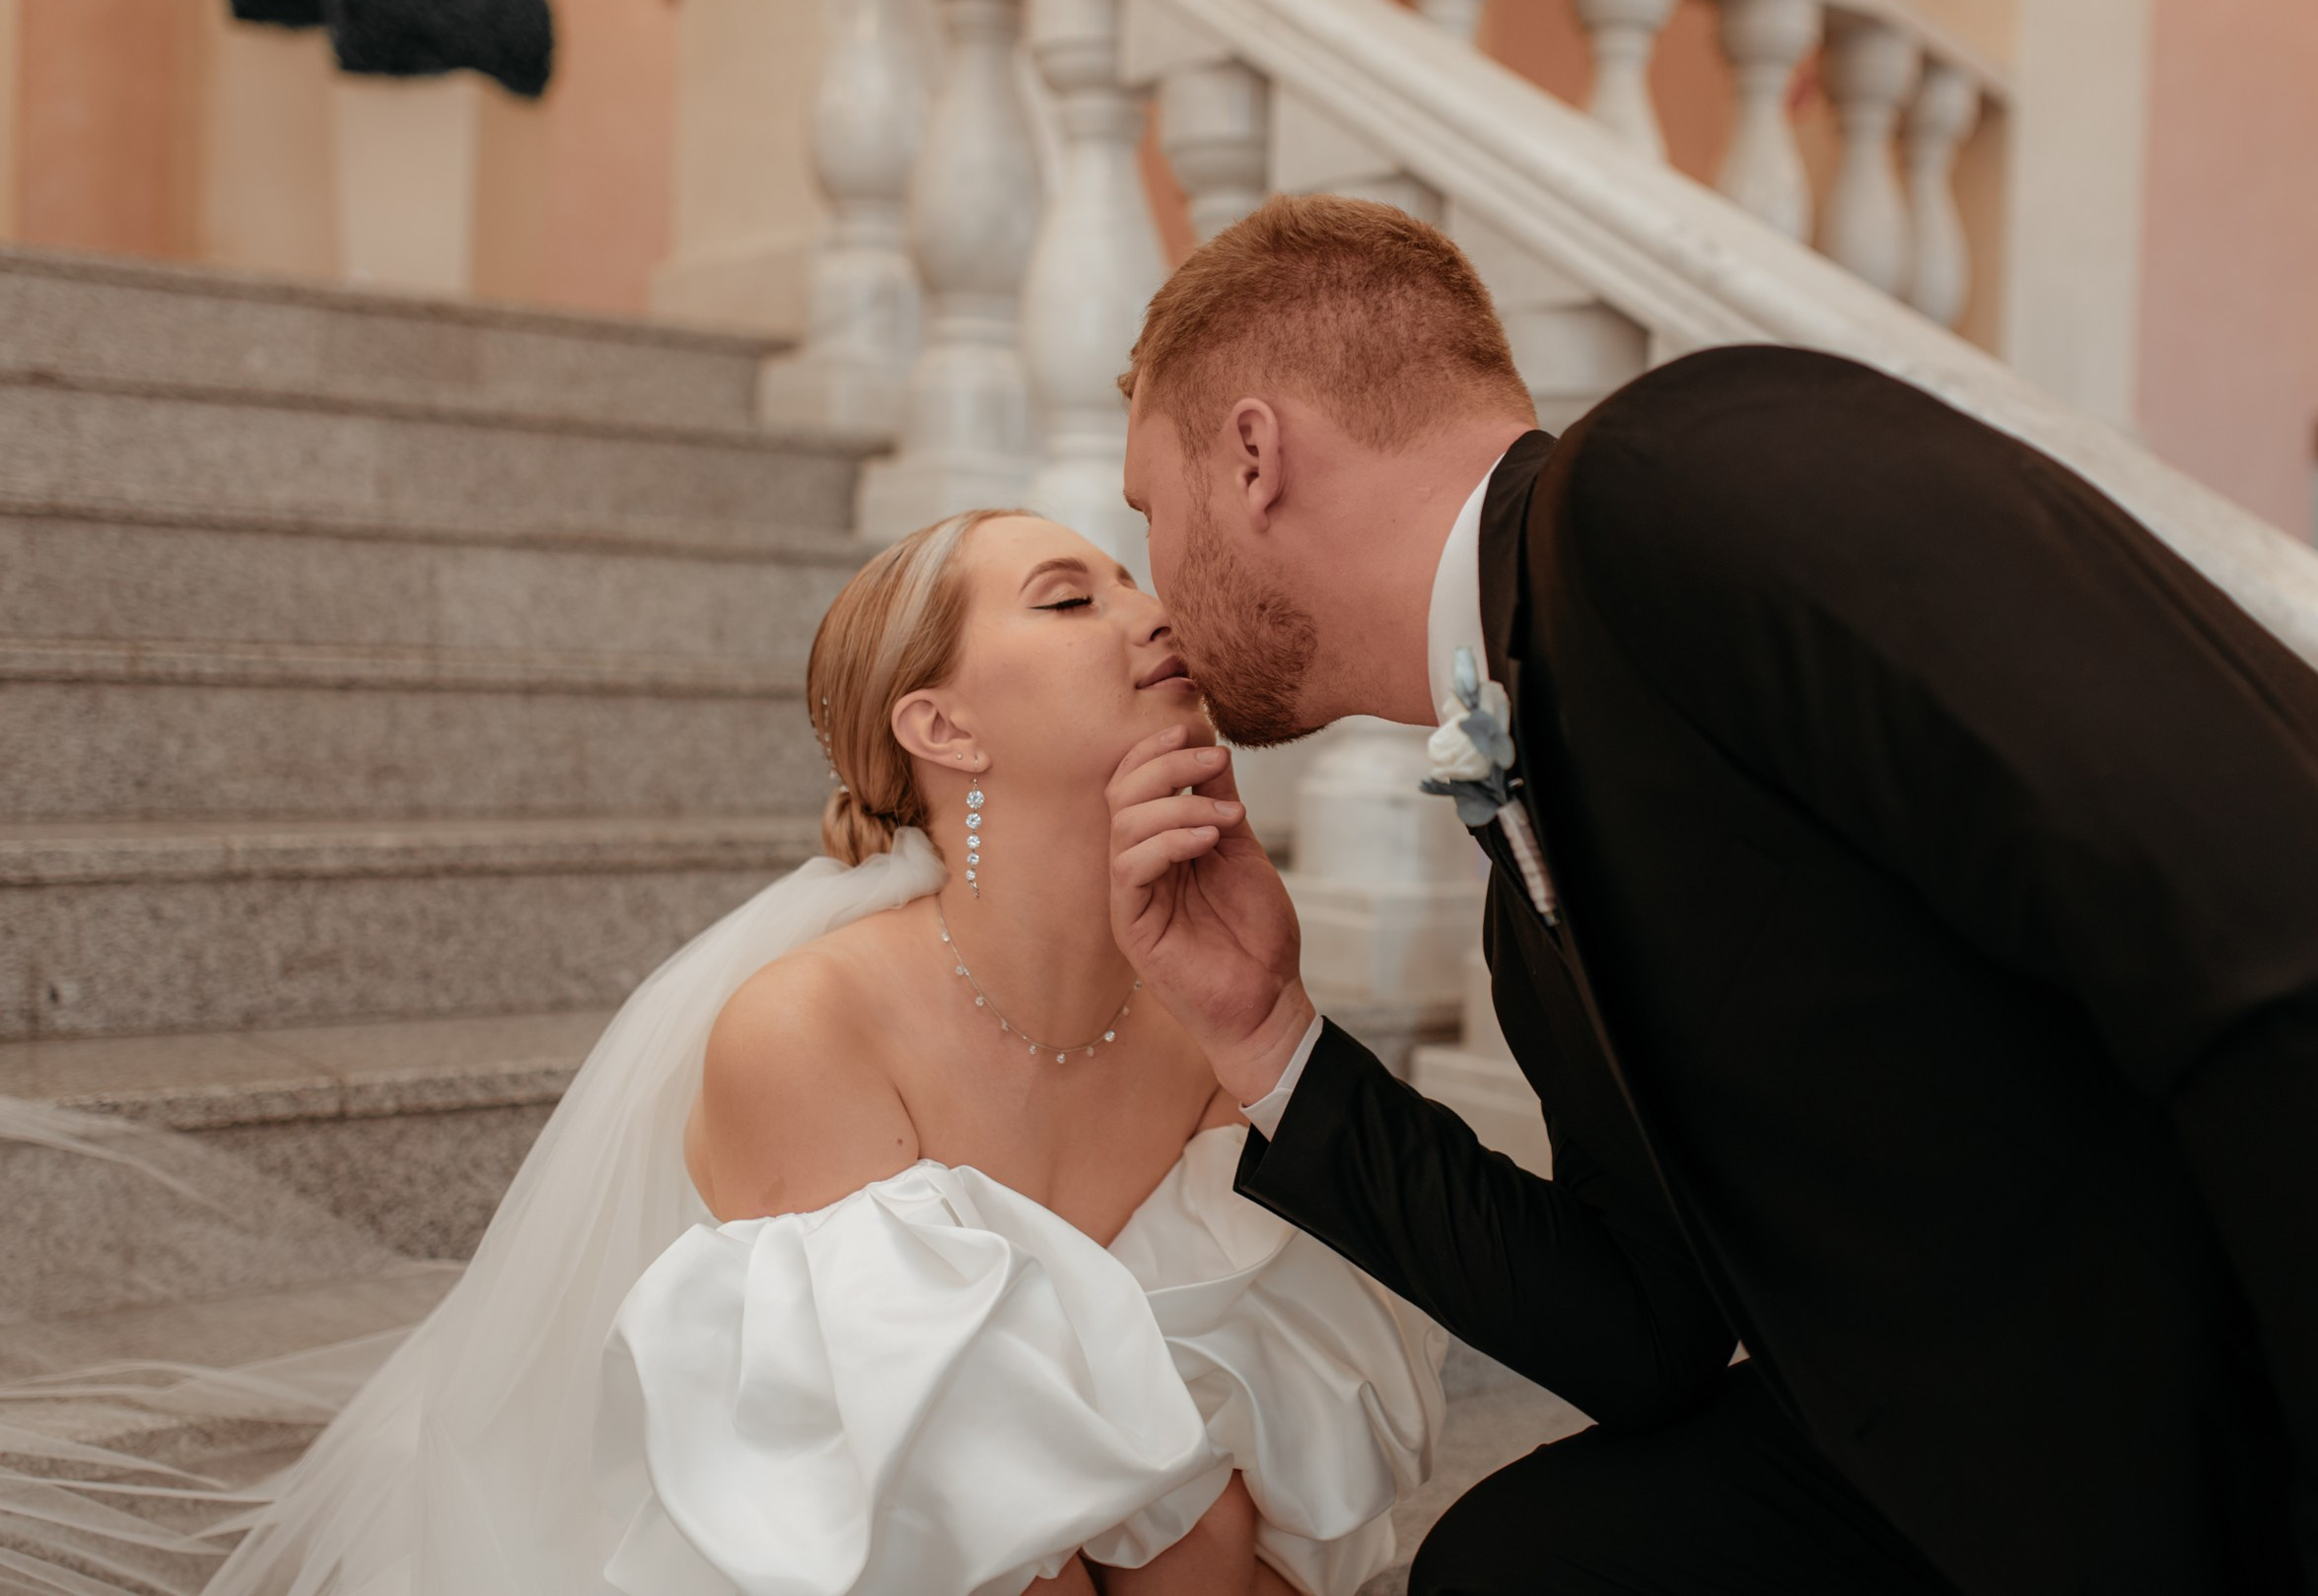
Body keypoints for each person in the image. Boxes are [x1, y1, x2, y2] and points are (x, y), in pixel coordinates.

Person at [1104, 193, 2318, 1595]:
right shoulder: (1532, 827)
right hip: (2021, 1409)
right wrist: (1267, 1031)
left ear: (1251, 458)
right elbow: (1641, 1331)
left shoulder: (1683, 480)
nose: (1153, 599)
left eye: (1147, 515)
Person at [205, 509, 1444, 1596]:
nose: (1149, 610)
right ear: (941, 726)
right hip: (818, 1541)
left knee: (1204, 1521)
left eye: (1130, 581)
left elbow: (1224, 1494)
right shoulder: (809, 1031)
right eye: (1071, 599)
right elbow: (923, 1535)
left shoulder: (1211, 998)